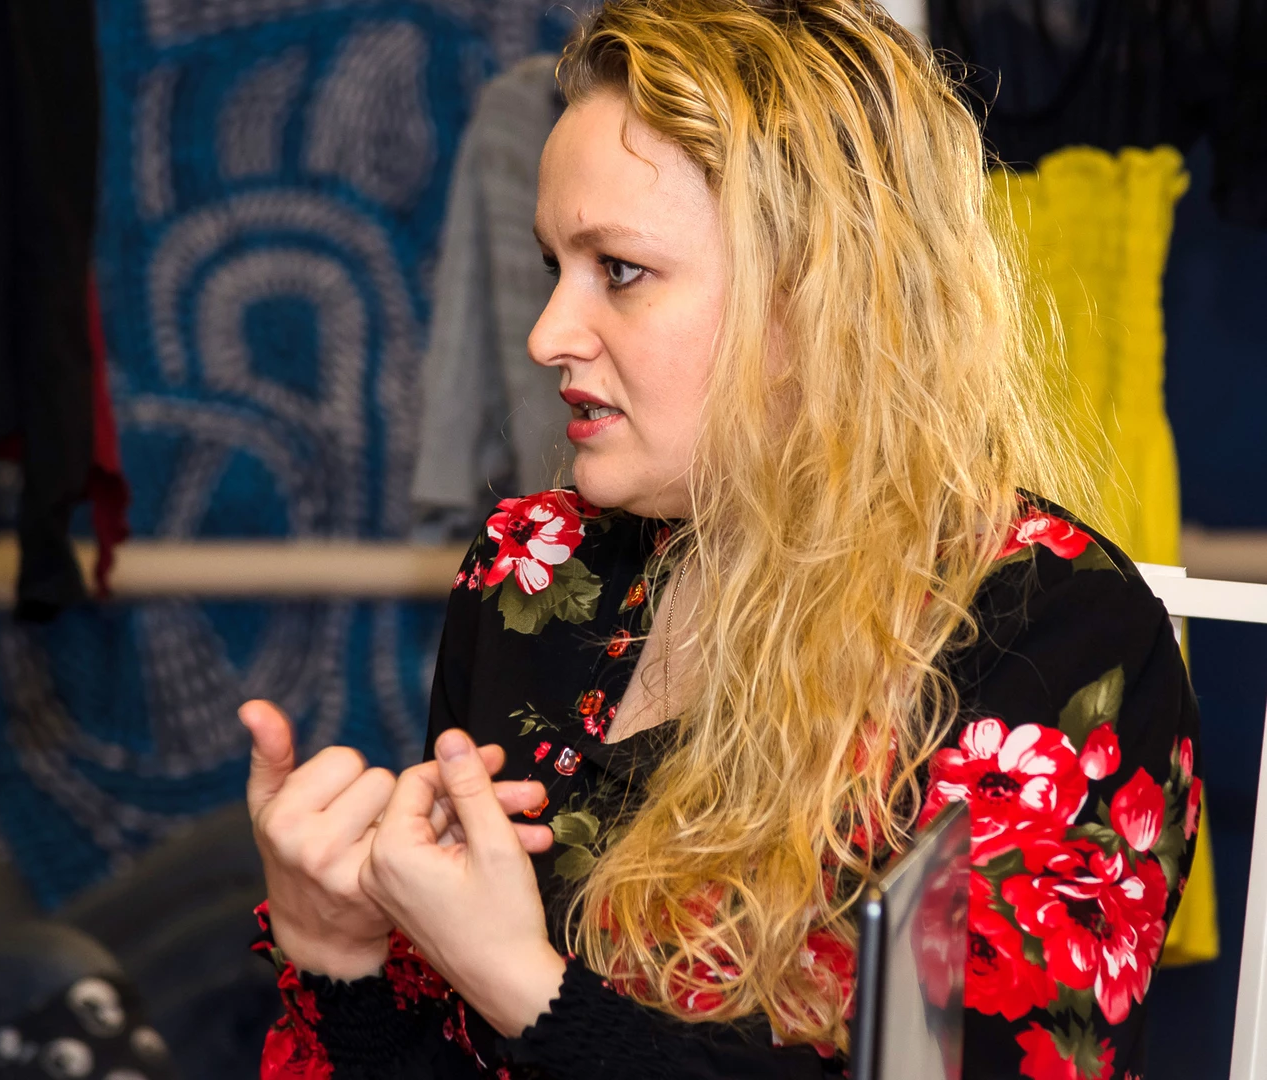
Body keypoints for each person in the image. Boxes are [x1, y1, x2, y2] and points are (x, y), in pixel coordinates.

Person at [241, 1, 1204, 1077]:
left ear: (820, 294)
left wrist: (523, 983)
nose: (547, 335)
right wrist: (339, 957)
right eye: (554, 267)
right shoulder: (535, 571)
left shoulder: (1060, 632)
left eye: (618, 270)